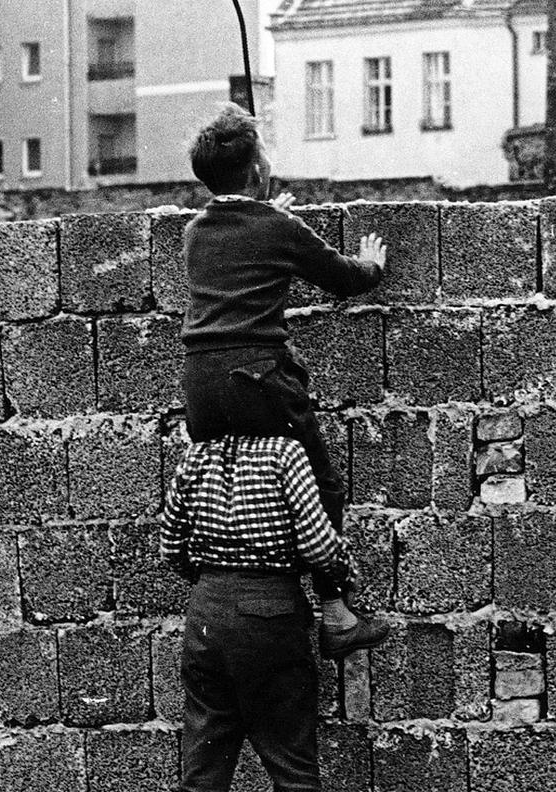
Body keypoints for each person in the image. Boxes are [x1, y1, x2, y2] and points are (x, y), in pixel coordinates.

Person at [181, 102, 389, 657]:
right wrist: (371, 264)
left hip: (200, 385)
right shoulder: (277, 226)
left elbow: (239, 239)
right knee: (320, 486)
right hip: (258, 377)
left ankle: (228, 600)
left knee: (226, 483)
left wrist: (263, 211)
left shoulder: (197, 232)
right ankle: (337, 612)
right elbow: (345, 280)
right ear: (256, 171)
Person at [162, 433, 372, 792]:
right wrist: (345, 573)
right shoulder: (283, 452)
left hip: (206, 612)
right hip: (271, 608)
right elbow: (318, 547)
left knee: (202, 775)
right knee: (293, 771)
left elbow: (170, 546)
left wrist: (212, 580)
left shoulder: (196, 454)